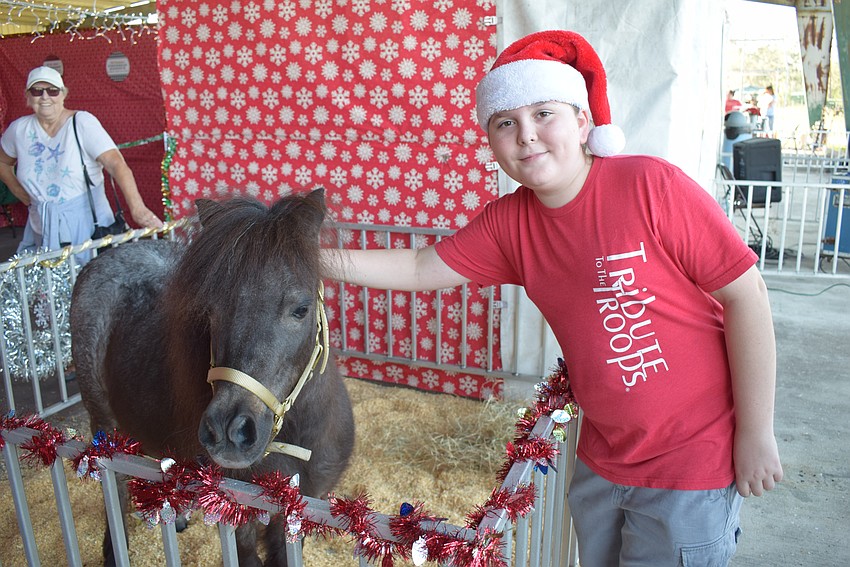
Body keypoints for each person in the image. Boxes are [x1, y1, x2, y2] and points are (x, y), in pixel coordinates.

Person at [323, 30, 783, 566]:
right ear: (491, 142)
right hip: (602, 460)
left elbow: (745, 295)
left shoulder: (651, 185)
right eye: (505, 123)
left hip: (691, 463)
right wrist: (315, 260)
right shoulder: (509, 224)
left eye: (544, 113)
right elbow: (422, 265)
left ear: (583, 121)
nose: (527, 136)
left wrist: (755, 431)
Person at [0, 66, 163, 260]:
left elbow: (116, 165)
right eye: (37, 91)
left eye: (52, 91)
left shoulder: (82, 122)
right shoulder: (19, 130)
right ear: (28, 96)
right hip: (43, 228)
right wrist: (18, 191)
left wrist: (138, 208)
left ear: (63, 94)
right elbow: (3, 161)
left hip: (89, 228)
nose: (45, 97)